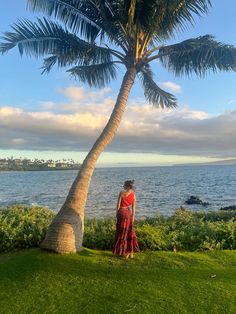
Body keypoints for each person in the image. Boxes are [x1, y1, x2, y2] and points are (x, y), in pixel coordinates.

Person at [112, 179, 139, 258]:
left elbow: (118, 205)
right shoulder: (133, 194)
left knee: (121, 233)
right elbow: (134, 208)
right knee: (129, 232)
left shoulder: (121, 193)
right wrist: (133, 217)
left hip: (121, 212)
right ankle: (130, 252)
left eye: (124, 185)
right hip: (128, 214)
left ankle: (123, 251)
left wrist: (117, 214)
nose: (123, 186)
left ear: (127, 186)